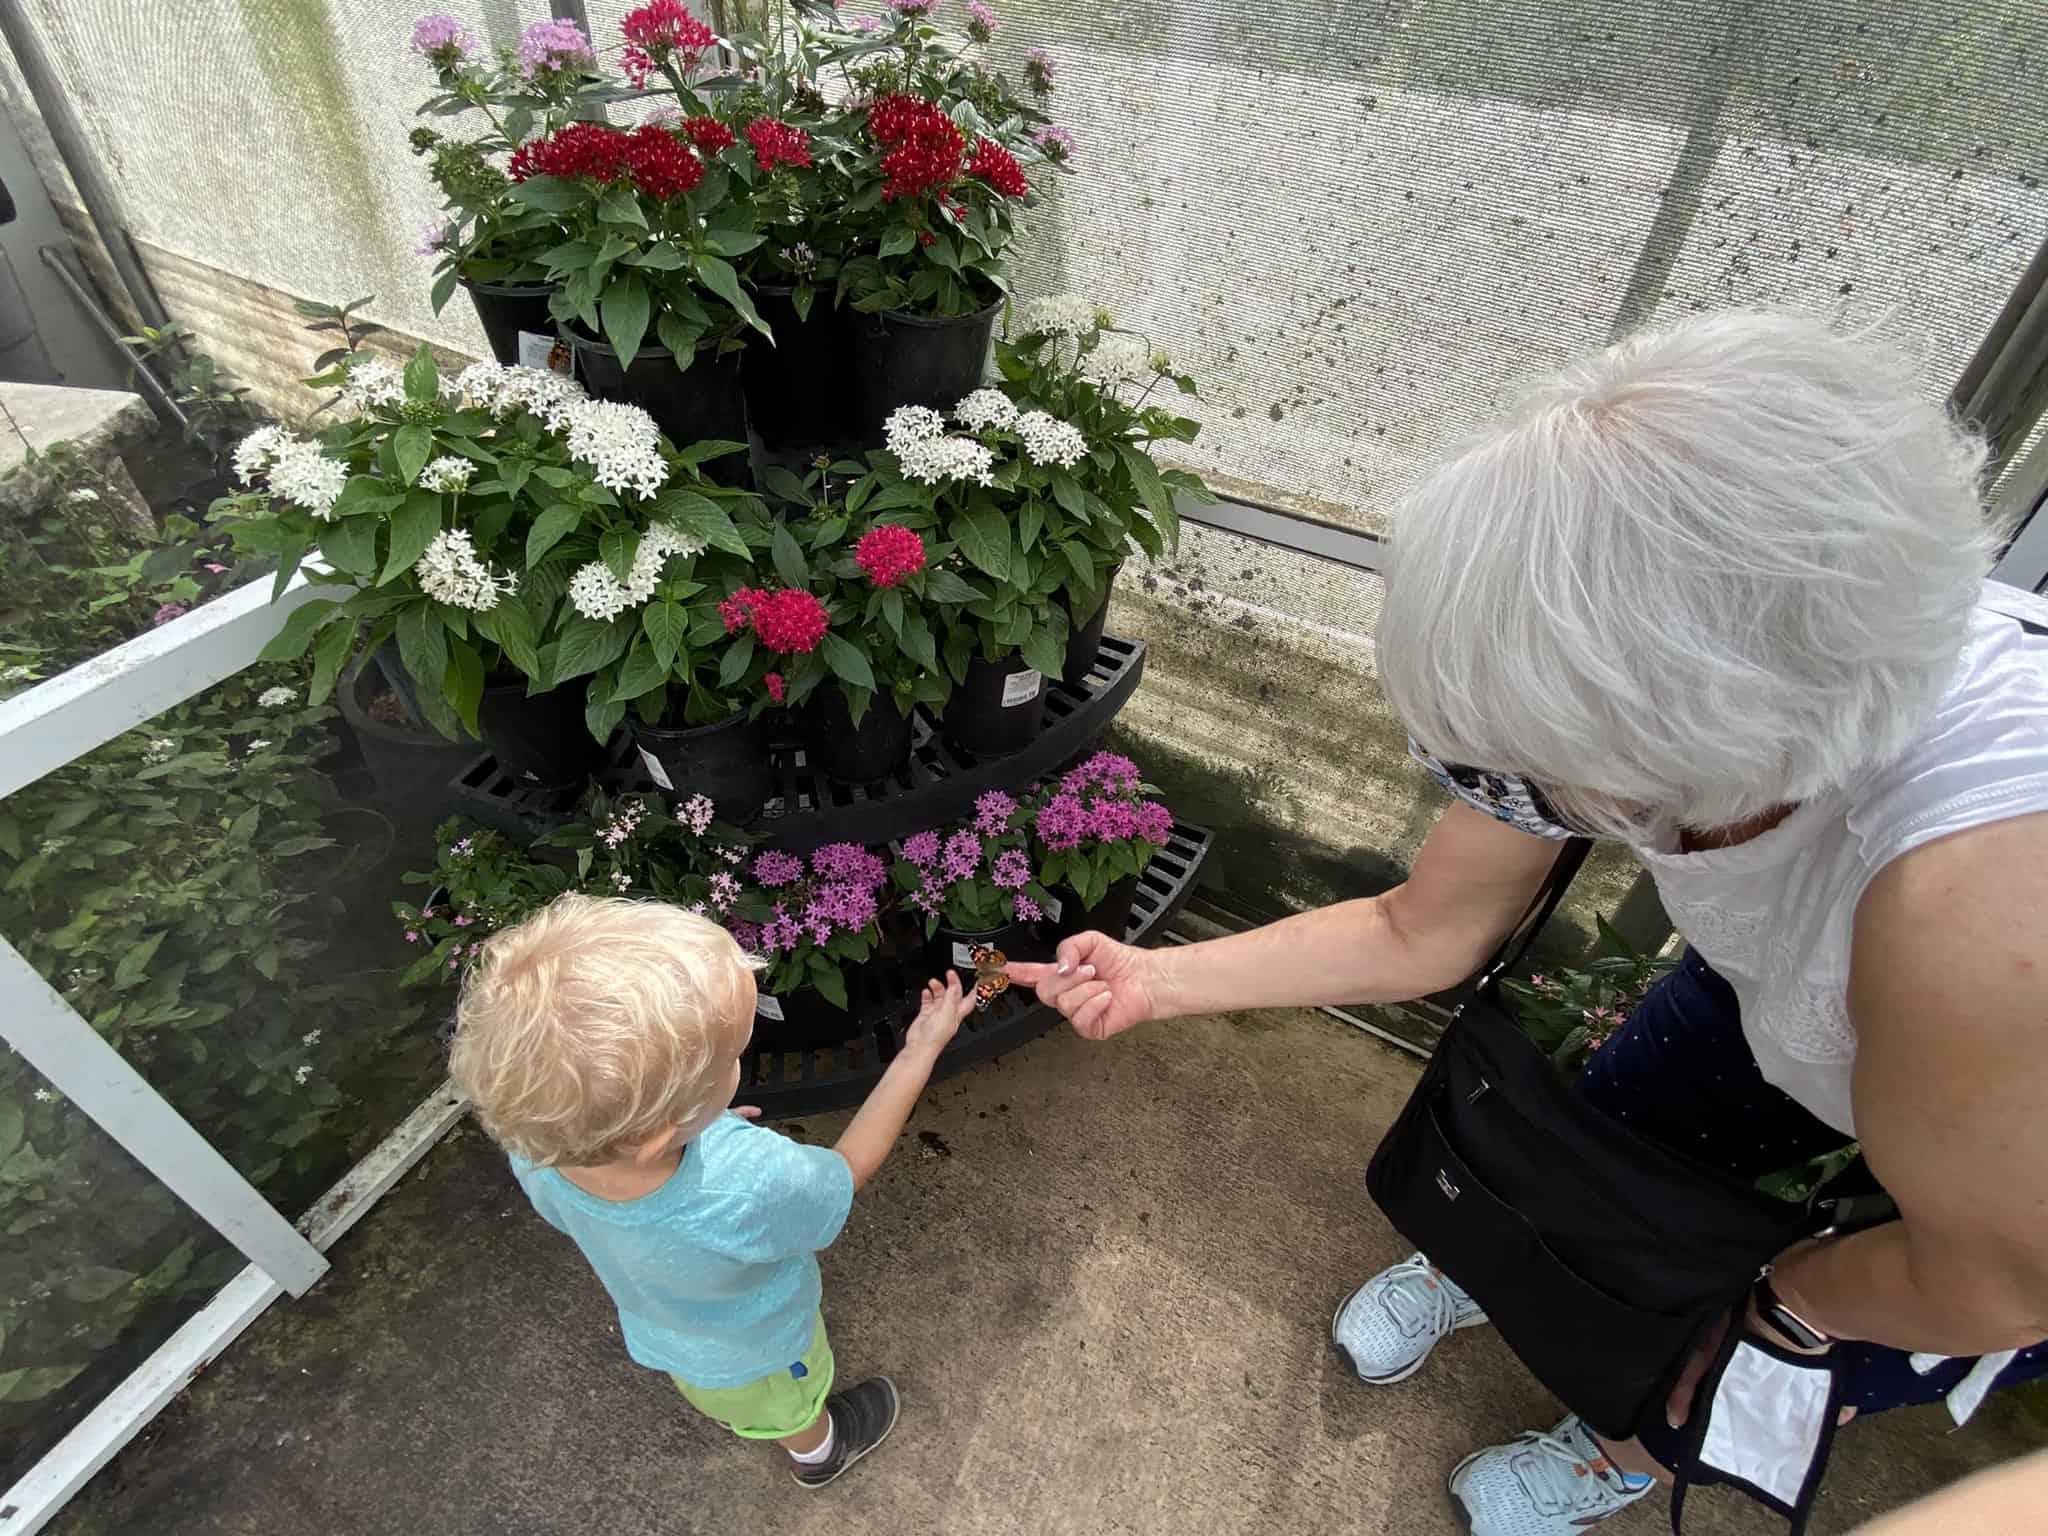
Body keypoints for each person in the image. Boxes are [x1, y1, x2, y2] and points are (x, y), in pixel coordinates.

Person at [1011, 310, 2048, 1534]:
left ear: (1687, 750)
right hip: (1774, 988)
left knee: (1728, 1346)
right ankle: (1500, 1259)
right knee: (1592, 1148)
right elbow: (1422, 930)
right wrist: (1153, 979)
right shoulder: (1715, 669)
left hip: (2003, 1206)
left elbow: (1994, 1280)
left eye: (1516, 778)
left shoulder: (1981, 912)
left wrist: (1753, 1295)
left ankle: (1627, 1440)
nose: (1490, 799)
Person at [449, 893, 977, 1488]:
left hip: (671, 1335)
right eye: (730, 1061)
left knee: (733, 1400)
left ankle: (756, 1418)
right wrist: (918, 1051)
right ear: (657, 1135)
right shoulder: (748, 1187)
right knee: (789, 1408)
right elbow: (842, 1176)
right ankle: (821, 1450)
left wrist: (708, 1129)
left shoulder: (538, 1151)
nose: (739, 1065)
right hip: (763, 1351)